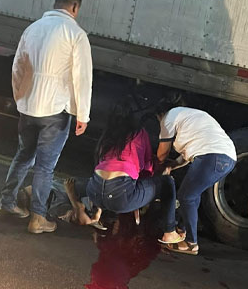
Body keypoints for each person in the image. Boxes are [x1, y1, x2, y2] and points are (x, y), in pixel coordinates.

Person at [0, 0, 93, 234]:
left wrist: (20, 97)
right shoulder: (76, 34)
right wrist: (83, 114)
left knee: (23, 156)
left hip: (28, 107)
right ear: (74, 7)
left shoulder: (33, 28)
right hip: (55, 111)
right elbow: (82, 78)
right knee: (45, 166)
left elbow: (17, 66)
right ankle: (38, 217)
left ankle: (6, 204)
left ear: (56, 2)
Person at [64, 97, 183, 244]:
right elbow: (147, 168)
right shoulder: (139, 133)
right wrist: (159, 175)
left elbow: (100, 162)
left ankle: (87, 209)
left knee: (76, 184)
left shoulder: (108, 134)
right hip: (121, 195)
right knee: (167, 183)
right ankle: (170, 232)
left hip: (94, 191)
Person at [156, 101, 237, 256]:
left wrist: (157, 167)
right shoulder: (191, 116)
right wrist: (172, 166)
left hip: (212, 157)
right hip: (228, 159)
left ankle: (191, 244)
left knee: (186, 196)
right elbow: (190, 152)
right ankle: (182, 230)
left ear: (160, 115)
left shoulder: (169, 117)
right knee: (192, 194)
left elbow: (162, 153)